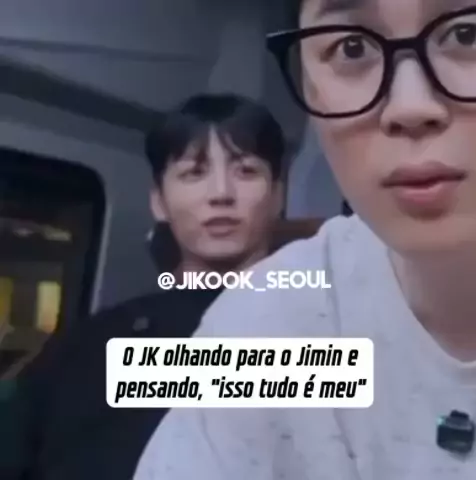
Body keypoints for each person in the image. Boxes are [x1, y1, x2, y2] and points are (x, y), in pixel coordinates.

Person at [134, 1, 476, 479]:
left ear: (278, 192)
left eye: (469, 34)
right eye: (352, 47)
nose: (409, 107)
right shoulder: (264, 322)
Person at [0, 92, 285, 480]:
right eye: (194, 173)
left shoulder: (325, 335)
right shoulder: (86, 342)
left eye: (246, 171)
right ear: (159, 202)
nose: (221, 193)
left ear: (277, 196)